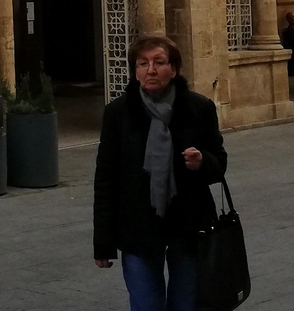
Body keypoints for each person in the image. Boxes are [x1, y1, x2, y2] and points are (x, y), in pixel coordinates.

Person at [93, 34, 228, 311]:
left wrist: (203, 162)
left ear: (174, 69)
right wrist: (103, 243)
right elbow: (106, 178)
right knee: (146, 304)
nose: (150, 70)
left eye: (159, 62)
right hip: (138, 226)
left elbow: (220, 162)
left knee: (186, 303)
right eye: (142, 63)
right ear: (135, 71)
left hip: (188, 226)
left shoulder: (198, 108)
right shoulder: (118, 113)